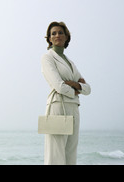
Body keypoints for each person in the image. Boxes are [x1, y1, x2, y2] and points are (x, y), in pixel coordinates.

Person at [41, 21, 91, 165]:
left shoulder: (70, 62)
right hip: (57, 106)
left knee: (70, 155)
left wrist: (76, 85)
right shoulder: (47, 57)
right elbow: (59, 85)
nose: (57, 35)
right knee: (55, 156)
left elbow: (87, 89)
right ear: (49, 38)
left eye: (60, 32)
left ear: (66, 36)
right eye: (53, 33)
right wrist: (77, 88)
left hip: (74, 108)